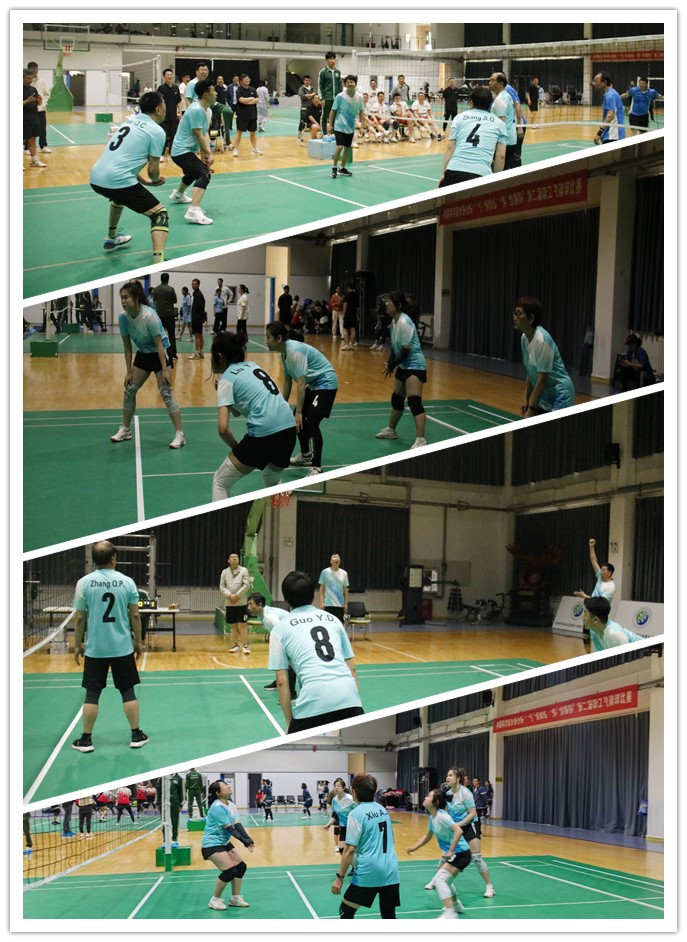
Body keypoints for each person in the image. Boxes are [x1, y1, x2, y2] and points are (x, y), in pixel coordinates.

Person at [71, 540, 148, 753]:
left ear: (94, 560)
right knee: (128, 691)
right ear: (114, 558)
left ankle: (86, 739)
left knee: (92, 694)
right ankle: (136, 735)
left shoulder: (83, 583)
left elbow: (80, 618)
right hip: (122, 648)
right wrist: (139, 641)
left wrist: (77, 645)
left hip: (95, 649)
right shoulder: (127, 582)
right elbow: (135, 615)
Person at [267, 570, 363, 733]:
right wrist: (353, 702)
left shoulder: (279, 630)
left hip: (313, 702)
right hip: (350, 700)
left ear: (285, 598)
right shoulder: (333, 620)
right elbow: (351, 668)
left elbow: (282, 681)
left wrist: (290, 723)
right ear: (313, 594)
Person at [210, 331, 298, 501]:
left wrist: (237, 448)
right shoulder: (253, 366)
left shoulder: (226, 380)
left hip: (264, 435)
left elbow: (223, 429)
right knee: (272, 479)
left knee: (220, 482)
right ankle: (286, 513)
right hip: (289, 430)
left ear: (219, 356)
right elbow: (239, 410)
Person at [89, 90, 168, 261]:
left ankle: (111, 237)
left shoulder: (129, 121)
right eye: (164, 105)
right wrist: (155, 180)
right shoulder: (157, 131)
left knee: (119, 197)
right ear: (158, 109)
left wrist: (143, 181)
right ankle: (158, 261)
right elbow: (153, 169)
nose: (165, 108)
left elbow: (123, 161)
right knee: (160, 214)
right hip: (117, 180)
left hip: (96, 177)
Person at [109, 281, 186, 448]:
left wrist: (165, 369)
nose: (123, 301)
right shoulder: (123, 318)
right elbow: (127, 347)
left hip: (160, 353)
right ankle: (126, 430)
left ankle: (180, 434)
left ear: (136, 298)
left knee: (166, 393)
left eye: (126, 297)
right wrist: (129, 372)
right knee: (129, 390)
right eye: (121, 298)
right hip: (143, 353)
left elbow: (159, 344)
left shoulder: (148, 316)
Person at [265, 323, 339, 477]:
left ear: (279, 338)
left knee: (310, 422)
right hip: (314, 384)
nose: (266, 341)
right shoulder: (284, 353)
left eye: (268, 337)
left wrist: (299, 411)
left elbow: (300, 382)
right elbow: (287, 380)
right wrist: (283, 404)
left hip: (326, 383)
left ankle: (316, 468)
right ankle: (305, 456)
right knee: (296, 420)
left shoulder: (294, 352)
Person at [331, 773, 399, 919]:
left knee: (346, 911)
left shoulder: (356, 814)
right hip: (391, 871)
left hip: (369, 871)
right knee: (388, 915)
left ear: (354, 792)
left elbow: (349, 849)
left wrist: (340, 877)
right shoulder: (382, 809)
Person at [406, 788, 471, 919]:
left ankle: (450, 912)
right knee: (445, 880)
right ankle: (456, 905)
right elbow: (428, 836)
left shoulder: (443, 817)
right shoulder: (433, 817)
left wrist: (451, 850)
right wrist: (414, 848)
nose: (425, 797)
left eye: (429, 796)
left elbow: (458, 831)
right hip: (457, 853)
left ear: (435, 802)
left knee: (440, 880)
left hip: (461, 853)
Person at [375, 291, 428, 449]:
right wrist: (390, 363)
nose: (386, 304)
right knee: (397, 399)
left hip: (415, 365)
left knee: (414, 402)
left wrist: (393, 365)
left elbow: (405, 350)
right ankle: (391, 430)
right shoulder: (394, 321)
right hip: (404, 364)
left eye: (389, 301)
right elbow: (395, 347)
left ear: (398, 305)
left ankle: (421, 440)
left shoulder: (405, 322)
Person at [513, 296, 575, 416]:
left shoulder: (542, 340)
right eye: (514, 314)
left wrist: (531, 408)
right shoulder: (524, 338)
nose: (515, 318)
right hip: (545, 396)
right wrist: (526, 398)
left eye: (519, 314)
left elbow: (542, 379)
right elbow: (530, 372)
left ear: (531, 318)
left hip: (561, 394)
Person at [441, 766, 496, 898]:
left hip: (470, 825)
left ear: (458, 778)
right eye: (447, 775)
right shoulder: (448, 794)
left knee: (476, 858)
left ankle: (489, 886)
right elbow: (447, 811)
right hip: (456, 827)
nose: (447, 778)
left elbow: (472, 813)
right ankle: (436, 881)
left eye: (450, 775)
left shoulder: (465, 793)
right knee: (445, 855)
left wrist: (458, 824)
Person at [439, 86, 508, 186]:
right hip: (481, 174)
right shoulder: (500, 124)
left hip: (454, 170)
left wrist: (444, 174)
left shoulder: (459, 118)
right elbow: (501, 156)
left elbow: (450, 147)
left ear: (471, 102)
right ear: (490, 104)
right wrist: (495, 181)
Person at [169, 78, 216, 225]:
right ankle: (193, 211)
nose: (216, 93)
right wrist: (209, 154)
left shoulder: (207, 110)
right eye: (213, 91)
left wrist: (205, 157)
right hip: (181, 151)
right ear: (206, 94)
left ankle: (178, 195)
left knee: (194, 172)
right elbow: (198, 134)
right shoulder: (196, 110)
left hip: (187, 150)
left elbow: (204, 133)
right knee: (204, 174)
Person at [202, 780, 253, 911]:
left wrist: (248, 839)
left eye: (227, 784)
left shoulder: (231, 805)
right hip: (211, 843)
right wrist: (244, 842)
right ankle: (214, 900)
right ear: (218, 793)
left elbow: (237, 825)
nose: (228, 786)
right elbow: (230, 828)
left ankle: (235, 898)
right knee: (229, 871)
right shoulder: (217, 807)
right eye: (224, 786)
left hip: (224, 842)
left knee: (241, 867)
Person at [327, 75, 365, 178]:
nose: (350, 84)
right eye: (348, 82)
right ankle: (334, 167)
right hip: (339, 125)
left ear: (355, 84)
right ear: (345, 84)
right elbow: (333, 111)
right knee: (339, 146)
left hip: (350, 126)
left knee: (347, 148)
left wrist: (362, 126)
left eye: (352, 82)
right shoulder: (340, 96)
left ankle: (342, 168)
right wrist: (330, 125)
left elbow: (362, 112)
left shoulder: (360, 97)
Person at [219, 551, 252, 653]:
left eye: (236, 557)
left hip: (241, 603)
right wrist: (229, 595)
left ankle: (245, 646)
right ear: (228, 560)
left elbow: (246, 585)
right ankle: (235, 645)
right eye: (232, 557)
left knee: (243, 625)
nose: (234, 558)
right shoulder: (224, 572)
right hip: (230, 603)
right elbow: (222, 586)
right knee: (233, 626)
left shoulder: (244, 570)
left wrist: (237, 596)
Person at [488, 72, 519, 171]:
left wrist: (492, 140)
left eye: (492, 80)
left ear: (500, 84)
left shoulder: (501, 98)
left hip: (504, 142)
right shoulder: (504, 95)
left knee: (500, 171)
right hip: (509, 139)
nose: (489, 83)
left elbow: (501, 122)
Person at [232, 73, 262, 157]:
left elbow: (257, 100)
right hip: (242, 115)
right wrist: (251, 99)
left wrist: (248, 102)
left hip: (252, 115)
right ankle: (236, 149)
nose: (247, 80)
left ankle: (255, 148)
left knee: (253, 133)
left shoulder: (253, 89)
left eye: (248, 79)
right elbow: (241, 100)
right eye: (245, 79)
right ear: (241, 81)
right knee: (239, 132)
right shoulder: (239, 90)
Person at [592, 72, 626, 144]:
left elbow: (610, 116)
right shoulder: (610, 93)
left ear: (604, 82)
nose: (594, 84)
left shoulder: (610, 95)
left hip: (613, 135)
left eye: (596, 81)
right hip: (613, 134)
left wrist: (599, 133)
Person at [325, 778, 356, 853]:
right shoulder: (334, 800)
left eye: (338, 786)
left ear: (343, 788)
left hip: (352, 827)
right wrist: (329, 823)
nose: (336, 787)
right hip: (343, 827)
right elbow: (335, 814)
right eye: (335, 786)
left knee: (352, 850)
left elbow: (358, 811)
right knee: (341, 849)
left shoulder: (350, 798)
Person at [156, 68, 182, 161]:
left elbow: (179, 101)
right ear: (164, 76)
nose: (170, 76)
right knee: (163, 135)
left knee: (173, 136)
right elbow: (159, 102)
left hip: (174, 116)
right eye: (168, 75)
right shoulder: (161, 88)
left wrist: (180, 112)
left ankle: (172, 154)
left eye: (171, 74)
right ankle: (161, 154)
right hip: (164, 117)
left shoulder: (175, 88)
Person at [26, 61, 51, 155]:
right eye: (33, 69)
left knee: (42, 128)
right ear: (29, 70)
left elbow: (46, 94)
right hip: (29, 110)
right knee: (29, 129)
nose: (36, 71)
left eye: (37, 69)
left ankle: (43, 145)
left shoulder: (41, 81)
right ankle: (26, 147)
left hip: (41, 110)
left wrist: (44, 103)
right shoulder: (26, 81)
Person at [23, 68, 46, 168]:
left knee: (32, 139)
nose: (30, 80)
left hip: (34, 117)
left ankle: (34, 160)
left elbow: (38, 104)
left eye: (31, 78)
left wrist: (40, 100)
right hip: (23, 119)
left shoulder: (33, 89)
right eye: (28, 78)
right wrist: (27, 100)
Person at [153, 272, 178, 361]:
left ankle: (160, 354)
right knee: (171, 335)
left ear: (161, 279)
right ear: (168, 279)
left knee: (159, 336)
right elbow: (175, 300)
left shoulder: (156, 289)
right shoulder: (170, 289)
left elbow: (154, 299)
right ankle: (172, 354)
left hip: (159, 315)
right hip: (169, 315)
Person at [318, 554, 349, 623]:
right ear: (331, 561)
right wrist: (322, 602)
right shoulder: (325, 572)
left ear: (340, 562)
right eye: (334, 557)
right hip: (328, 604)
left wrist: (346, 604)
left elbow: (346, 590)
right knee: (328, 624)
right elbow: (321, 588)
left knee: (339, 623)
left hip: (340, 604)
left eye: (338, 558)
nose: (336, 559)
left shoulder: (344, 573)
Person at [318, 52, 343, 129]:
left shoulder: (337, 72)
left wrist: (341, 97)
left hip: (336, 98)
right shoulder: (323, 72)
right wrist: (321, 98)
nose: (333, 60)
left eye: (334, 59)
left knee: (335, 115)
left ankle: (334, 132)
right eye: (331, 59)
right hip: (327, 98)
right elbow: (320, 85)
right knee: (325, 116)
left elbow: (340, 85)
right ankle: (324, 132)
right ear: (327, 60)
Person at [189, 278, 207, 359]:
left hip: (197, 318)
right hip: (198, 318)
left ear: (198, 285)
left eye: (194, 284)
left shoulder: (198, 294)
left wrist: (199, 318)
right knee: (200, 335)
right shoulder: (196, 293)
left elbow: (200, 308)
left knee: (197, 335)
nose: (193, 285)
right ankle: (201, 352)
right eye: (192, 284)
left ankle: (196, 353)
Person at [298, 75, 317, 141]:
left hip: (312, 109)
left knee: (313, 122)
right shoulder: (301, 88)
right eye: (306, 80)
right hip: (304, 108)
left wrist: (308, 95)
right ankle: (299, 136)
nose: (307, 82)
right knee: (302, 122)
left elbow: (315, 95)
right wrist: (311, 95)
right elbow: (303, 97)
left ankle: (314, 135)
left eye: (308, 80)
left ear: (310, 81)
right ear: (303, 81)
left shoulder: (312, 88)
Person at [341, 280, 358, 349]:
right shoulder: (356, 295)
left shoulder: (347, 295)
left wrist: (343, 314)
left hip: (348, 313)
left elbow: (345, 304)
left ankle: (346, 345)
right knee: (353, 329)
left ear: (348, 287)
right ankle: (351, 344)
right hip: (354, 313)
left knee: (345, 329)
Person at [170, 772, 184, 846]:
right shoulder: (163, 778)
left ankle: (174, 839)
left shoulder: (179, 779)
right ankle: (165, 840)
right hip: (164, 804)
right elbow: (159, 790)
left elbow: (181, 792)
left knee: (175, 822)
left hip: (175, 804)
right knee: (164, 823)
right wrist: (158, 803)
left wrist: (181, 805)